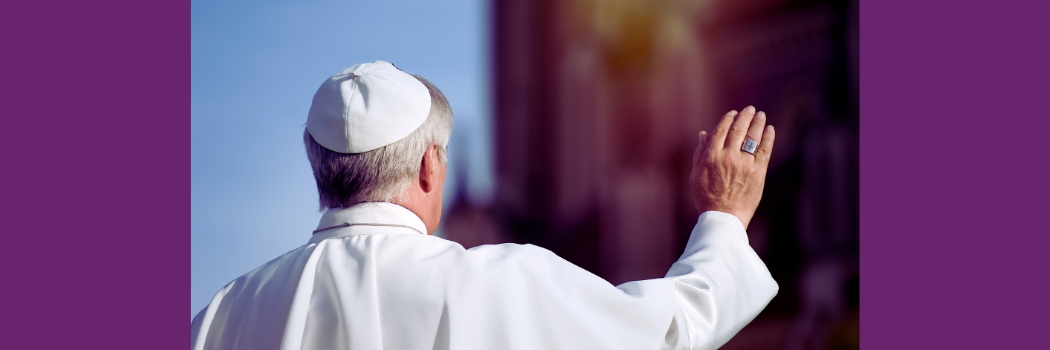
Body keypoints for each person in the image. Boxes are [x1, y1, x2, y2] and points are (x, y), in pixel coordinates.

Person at [190, 61, 778, 350]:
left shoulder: (221, 316)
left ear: (318, 169)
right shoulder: (501, 281)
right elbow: (671, 330)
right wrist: (723, 216)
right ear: (429, 168)